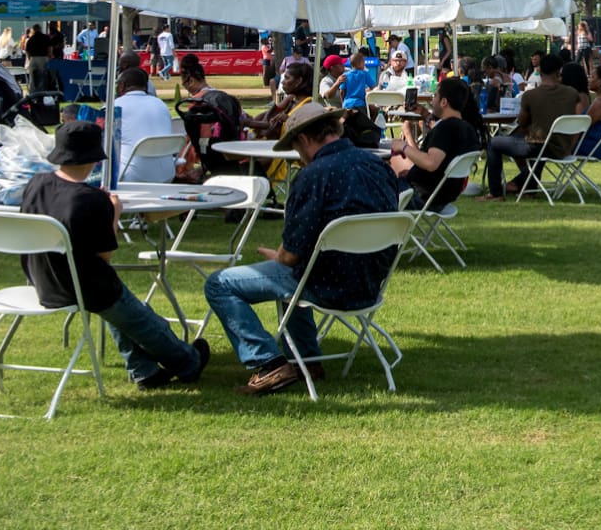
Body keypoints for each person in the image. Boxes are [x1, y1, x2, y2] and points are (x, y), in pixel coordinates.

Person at [204, 102, 400, 395]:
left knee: (219, 284)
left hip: (325, 283)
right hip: (371, 282)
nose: (298, 158)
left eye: (296, 150)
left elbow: (292, 253)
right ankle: (307, 361)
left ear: (305, 140)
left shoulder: (312, 176)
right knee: (295, 273)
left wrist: (280, 257)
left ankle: (268, 364)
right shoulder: (378, 166)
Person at [20, 122, 209, 390]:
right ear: (94, 159)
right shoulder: (91, 199)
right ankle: (187, 362)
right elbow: (105, 255)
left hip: (43, 279)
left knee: (122, 307)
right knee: (141, 318)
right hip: (86, 287)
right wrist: (115, 213)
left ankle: (143, 370)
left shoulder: (36, 184)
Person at [479, 53, 580, 200]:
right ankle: (528, 188)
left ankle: (496, 193)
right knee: (528, 140)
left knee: (494, 142)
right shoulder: (572, 93)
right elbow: (577, 121)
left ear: (540, 71)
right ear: (559, 71)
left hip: (539, 146)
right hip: (562, 146)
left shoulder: (530, 95)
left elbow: (522, 123)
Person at [388, 77, 482, 208]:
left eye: (435, 96)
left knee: (378, 170)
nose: (433, 100)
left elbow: (431, 163)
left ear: (444, 102)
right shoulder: (468, 129)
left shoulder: (445, 128)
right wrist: (425, 114)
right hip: (444, 197)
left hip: (418, 196)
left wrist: (403, 146)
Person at [176, 53, 244, 175]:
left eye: (184, 84)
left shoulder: (198, 102)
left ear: (190, 80)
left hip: (211, 153)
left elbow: (195, 138)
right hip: (233, 151)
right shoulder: (222, 96)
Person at [116, 67, 177, 183]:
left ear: (122, 85)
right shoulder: (161, 105)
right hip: (167, 174)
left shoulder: (116, 106)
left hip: (130, 175)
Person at [24, 23, 51, 92]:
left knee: (32, 76)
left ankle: (32, 91)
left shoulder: (31, 39)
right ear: (40, 29)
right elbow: (49, 48)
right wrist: (49, 56)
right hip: (43, 58)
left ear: (34, 30)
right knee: (43, 75)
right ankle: (42, 90)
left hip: (33, 58)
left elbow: (27, 50)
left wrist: (29, 58)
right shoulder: (46, 37)